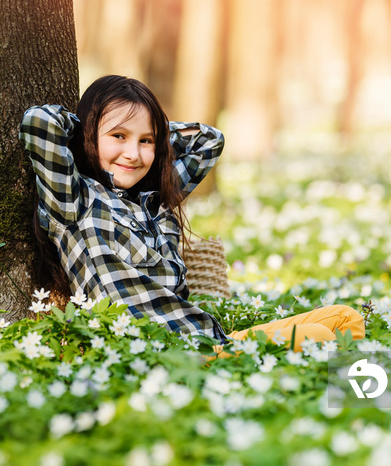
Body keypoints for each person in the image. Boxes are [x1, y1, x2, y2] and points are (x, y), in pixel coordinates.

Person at [19, 75, 365, 355]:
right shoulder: (74, 201)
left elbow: (209, 140)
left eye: (146, 141)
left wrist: (155, 128)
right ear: (89, 135)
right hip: (162, 357)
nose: (133, 153)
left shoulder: (158, 199)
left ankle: (354, 413)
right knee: (316, 337)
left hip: (206, 341)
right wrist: (84, 126)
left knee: (343, 319)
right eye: (118, 136)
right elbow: (39, 122)